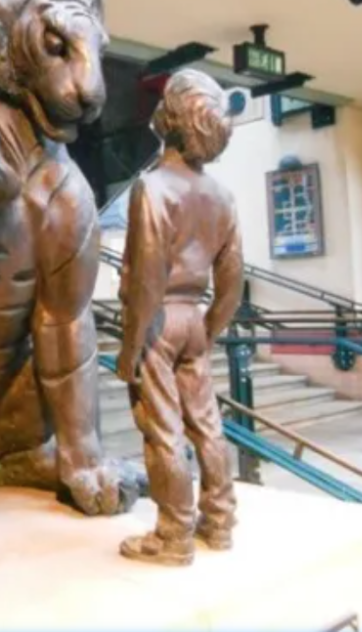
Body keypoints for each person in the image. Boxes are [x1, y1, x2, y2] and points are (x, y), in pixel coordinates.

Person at [116, 68, 244, 566]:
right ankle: (220, 521)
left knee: (163, 428)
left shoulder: (152, 188)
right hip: (193, 317)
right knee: (208, 427)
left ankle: (172, 535)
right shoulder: (222, 197)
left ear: (168, 118)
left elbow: (146, 276)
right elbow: (231, 283)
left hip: (158, 321)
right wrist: (207, 331)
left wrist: (131, 349)